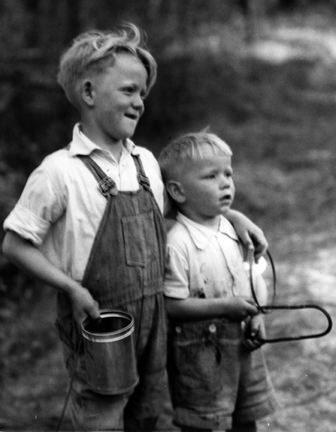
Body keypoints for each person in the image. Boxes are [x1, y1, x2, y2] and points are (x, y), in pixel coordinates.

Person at [2, 24, 269, 432]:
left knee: (149, 414)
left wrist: (234, 216)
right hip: (100, 323)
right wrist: (72, 289)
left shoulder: (144, 162)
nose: (139, 102)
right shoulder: (59, 171)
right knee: (101, 418)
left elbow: (175, 213)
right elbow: (15, 245)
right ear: (89, 94)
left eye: (142, 93)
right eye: (129, 90)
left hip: (155, 324)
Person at [158, 131, 278, 432]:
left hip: (241, 348)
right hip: (199, 356)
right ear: (178, 191)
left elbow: (253, 277)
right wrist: (225, 306)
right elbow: (172, 305)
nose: (225, 183)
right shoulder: (178, 243)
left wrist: (258, 315)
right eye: (211, 176)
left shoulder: (235, 229)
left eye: (228, 173)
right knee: (203, 422)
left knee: (244, 418)